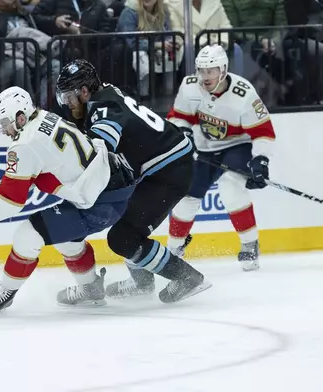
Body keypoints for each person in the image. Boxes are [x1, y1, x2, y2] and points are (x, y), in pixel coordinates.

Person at [0, 86, 136, 315]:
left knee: (28, 235)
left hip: (100, 201)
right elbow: (46, 163)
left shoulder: (24, 144)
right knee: (66, 240)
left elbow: (10, 200)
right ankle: (91, 289)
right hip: (108, 187)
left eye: (5, 123)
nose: (3, 131)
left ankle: (5, 292)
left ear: (20, 117)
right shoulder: (42, 116)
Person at [55, 59, 212, 302]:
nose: (66, 103)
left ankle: (187, 278)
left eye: (68, 97)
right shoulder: (106, 92)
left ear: (84, 91)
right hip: (164, 166)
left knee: (123, 238)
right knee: (124, 225)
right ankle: (142, 283)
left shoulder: (102, 107)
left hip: (167, 172)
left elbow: (98, 152)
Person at [166, 44, 276, 272]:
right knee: (185, 197)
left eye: (211, 71)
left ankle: (249, 245)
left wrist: (261, 160)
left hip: (237, 146)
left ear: (223, 70)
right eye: (201, 70)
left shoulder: (243, 93)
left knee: (230, 187)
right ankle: (174, 249)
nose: (205, 77)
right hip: (203, 149)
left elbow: (263, 131)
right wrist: (183, 131)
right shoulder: (189, 87)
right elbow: (177, 117)